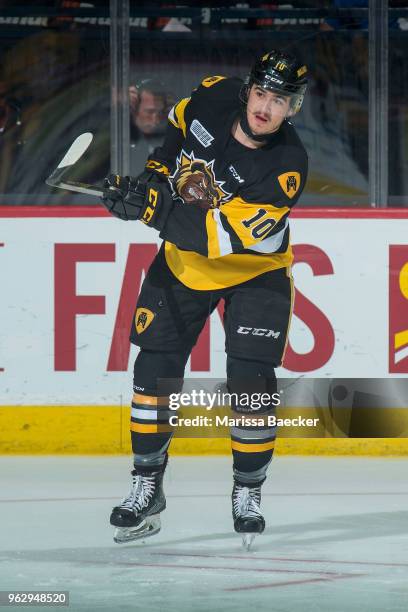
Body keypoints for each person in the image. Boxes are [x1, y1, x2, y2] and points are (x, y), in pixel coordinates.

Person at [101, 49, 308, 548]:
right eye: (261, 93)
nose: (264, 107)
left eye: (278, 101)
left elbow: (215, 236)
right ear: (248, 90)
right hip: (182, 264)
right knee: (153, 369)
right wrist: (153, 174)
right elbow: (178, 125)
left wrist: (150, 209)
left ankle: (248, 491)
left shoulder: (285, 169)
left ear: (292, 108)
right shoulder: (215, 95)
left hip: (253, 271)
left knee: (251, 379)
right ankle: (147, 486)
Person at [128, 78, 172, 175]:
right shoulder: (120, 139)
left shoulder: (167, 139)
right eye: (149, 112)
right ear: (133, 108)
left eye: (160, 112)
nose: (156, 120)